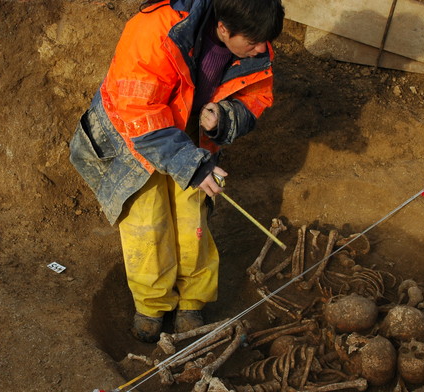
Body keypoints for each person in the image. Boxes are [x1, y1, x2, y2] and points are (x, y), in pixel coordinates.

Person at [69, 0, 285, 342]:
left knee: (192, 222)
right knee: (147, 222)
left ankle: (191, 302)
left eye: (264, 41)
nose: (262, 49)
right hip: (133, 137)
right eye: (255, 42)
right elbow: (138, 112)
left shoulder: (253, 34)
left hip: (190, 134)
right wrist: (192, 166)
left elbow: (255, 97)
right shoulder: (153, 32)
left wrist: (225, 117)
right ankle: (152, 306)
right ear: (224, 28)